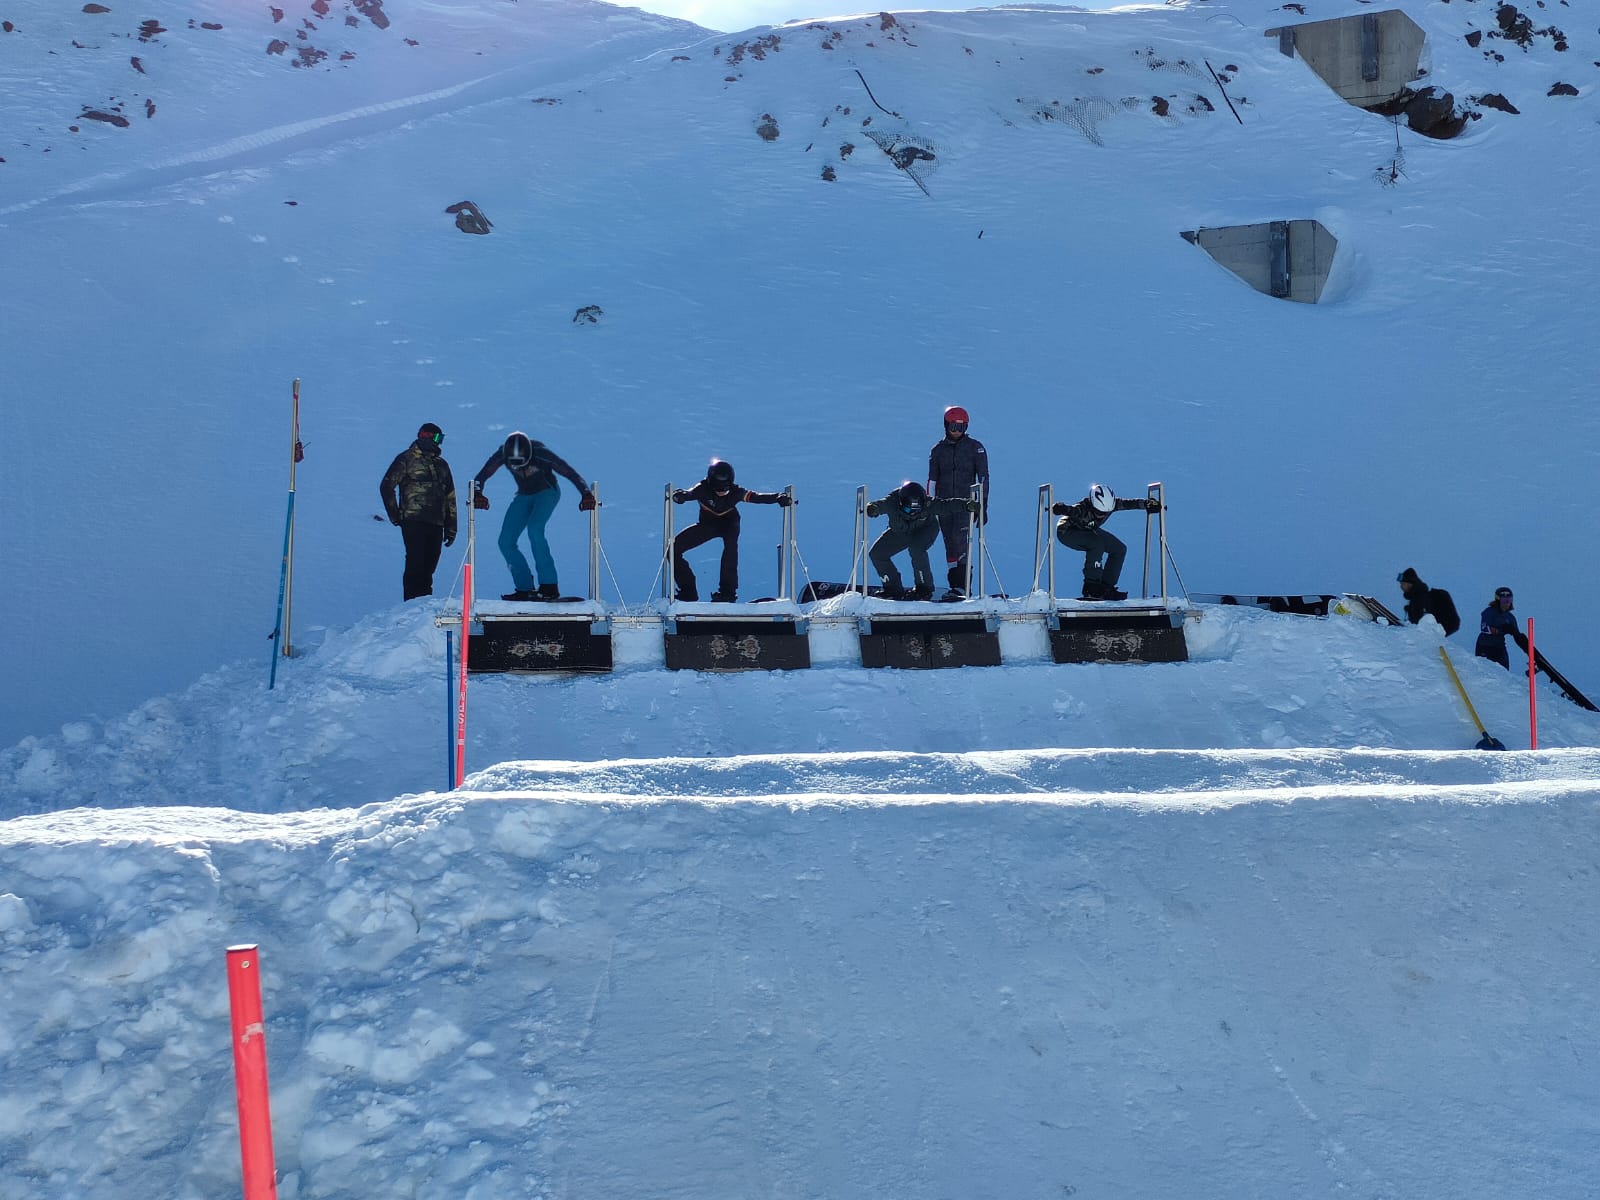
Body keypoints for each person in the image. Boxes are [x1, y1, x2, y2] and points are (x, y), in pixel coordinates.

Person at [473, 431, 596, 602]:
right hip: (524, 495)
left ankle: (549, 586)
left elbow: (569, 472)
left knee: (535, 530)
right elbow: (483, 475)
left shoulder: (541, 454)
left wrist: (586, 494)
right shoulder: (502, 454)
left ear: (529, 455)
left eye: (522, 463)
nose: (519, 467)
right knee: (505, 541)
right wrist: (478, 493)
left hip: (547, 492)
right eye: (514, 464)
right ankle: (524, 587)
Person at [671, 459, 791, 603]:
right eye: (718, 490)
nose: (722, 493)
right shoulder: (702, 488)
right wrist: (681, 496)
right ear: (710, 483)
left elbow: (756, 497)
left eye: (725, 490)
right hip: (707, 525)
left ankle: (727, 593)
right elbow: (689, 494)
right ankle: (688, 592)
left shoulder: (736, 492)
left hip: (730, 524)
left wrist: (778, 498)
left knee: (731, 549)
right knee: (672, 549)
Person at [379, 422, 457, 601]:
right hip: (413, 519)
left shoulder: (442, 465)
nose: (438, 443)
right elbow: (387, 486)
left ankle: (423, 605)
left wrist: (451, 527)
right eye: (437, 438)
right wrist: (395, 515)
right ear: (424, 436)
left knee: (430, 564)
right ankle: (411, 605)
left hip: (436, 522)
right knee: (416, 561)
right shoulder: (406, 459)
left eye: (441, 439)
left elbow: (449, 497)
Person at [865, 481, 979, 600]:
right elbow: (880, 505)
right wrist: (873, 509)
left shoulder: (928, 503)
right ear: (900, 503)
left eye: (917, 510)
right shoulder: (892, 502)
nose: (913, 513)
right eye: (909, 510)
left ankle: (924, 588)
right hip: (900, 532)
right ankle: (892, 589)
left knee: (916, 549)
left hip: (925, 530)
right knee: (877, 554)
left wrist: (966, 505)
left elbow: (946, 505)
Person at [1051, 483, 1158, 601]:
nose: (1102, 516)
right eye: (1099, 512)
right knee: (1096, 543)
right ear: (1092, 504)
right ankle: (1091, 587)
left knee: (1119, 549)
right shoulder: (1083, 509)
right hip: (1067, 531)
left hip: (1089, 530)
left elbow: (1128, 503)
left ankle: (1106, 587)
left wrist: (1147, 504)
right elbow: (1072, 510)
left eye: (1106, 513)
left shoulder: (1110, 505)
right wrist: (1062, 508)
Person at [927, 405, 989, 596]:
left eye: (961, 428)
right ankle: (955, 585)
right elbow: (932, 480)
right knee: (949, 543)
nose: (956, 431)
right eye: (953, 426)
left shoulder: (975, 448)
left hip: (966, 504)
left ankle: (963, 585)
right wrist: (929, 504)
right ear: (946, 425)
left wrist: (982, 506)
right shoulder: (938, 450)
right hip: (943, 504)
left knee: (960, 540)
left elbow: (984, 478)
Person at [1475, 585, 1528, 669]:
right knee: (1486, 671)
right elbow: (1485, 629)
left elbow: (1516, 635)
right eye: (1504, 600)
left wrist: (1526, 645)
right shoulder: (1489, 612)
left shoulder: (1510, 617)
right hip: (1485, 646)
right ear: (1498, 600)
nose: (1507, 602)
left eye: (1509, 599)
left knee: (1504, 672)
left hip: (1499, 647)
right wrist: (1501, 630)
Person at [1396, 566, 1461, 636]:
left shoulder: (1420, 599)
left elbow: (1422, 623)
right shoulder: (1416, 598)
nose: (1401, 586)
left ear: (1410, 583)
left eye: (1403, 583)